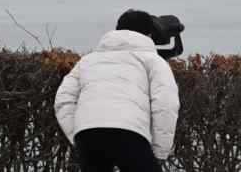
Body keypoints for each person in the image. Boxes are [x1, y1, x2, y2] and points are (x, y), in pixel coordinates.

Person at [54, 9, 180, 172]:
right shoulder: (153, 61)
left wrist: (78, 134)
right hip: (130, 134)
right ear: (149, 35)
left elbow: (63, 99)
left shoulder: (88, 60)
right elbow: (166, 103)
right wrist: (160, 152)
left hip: (88, 135)